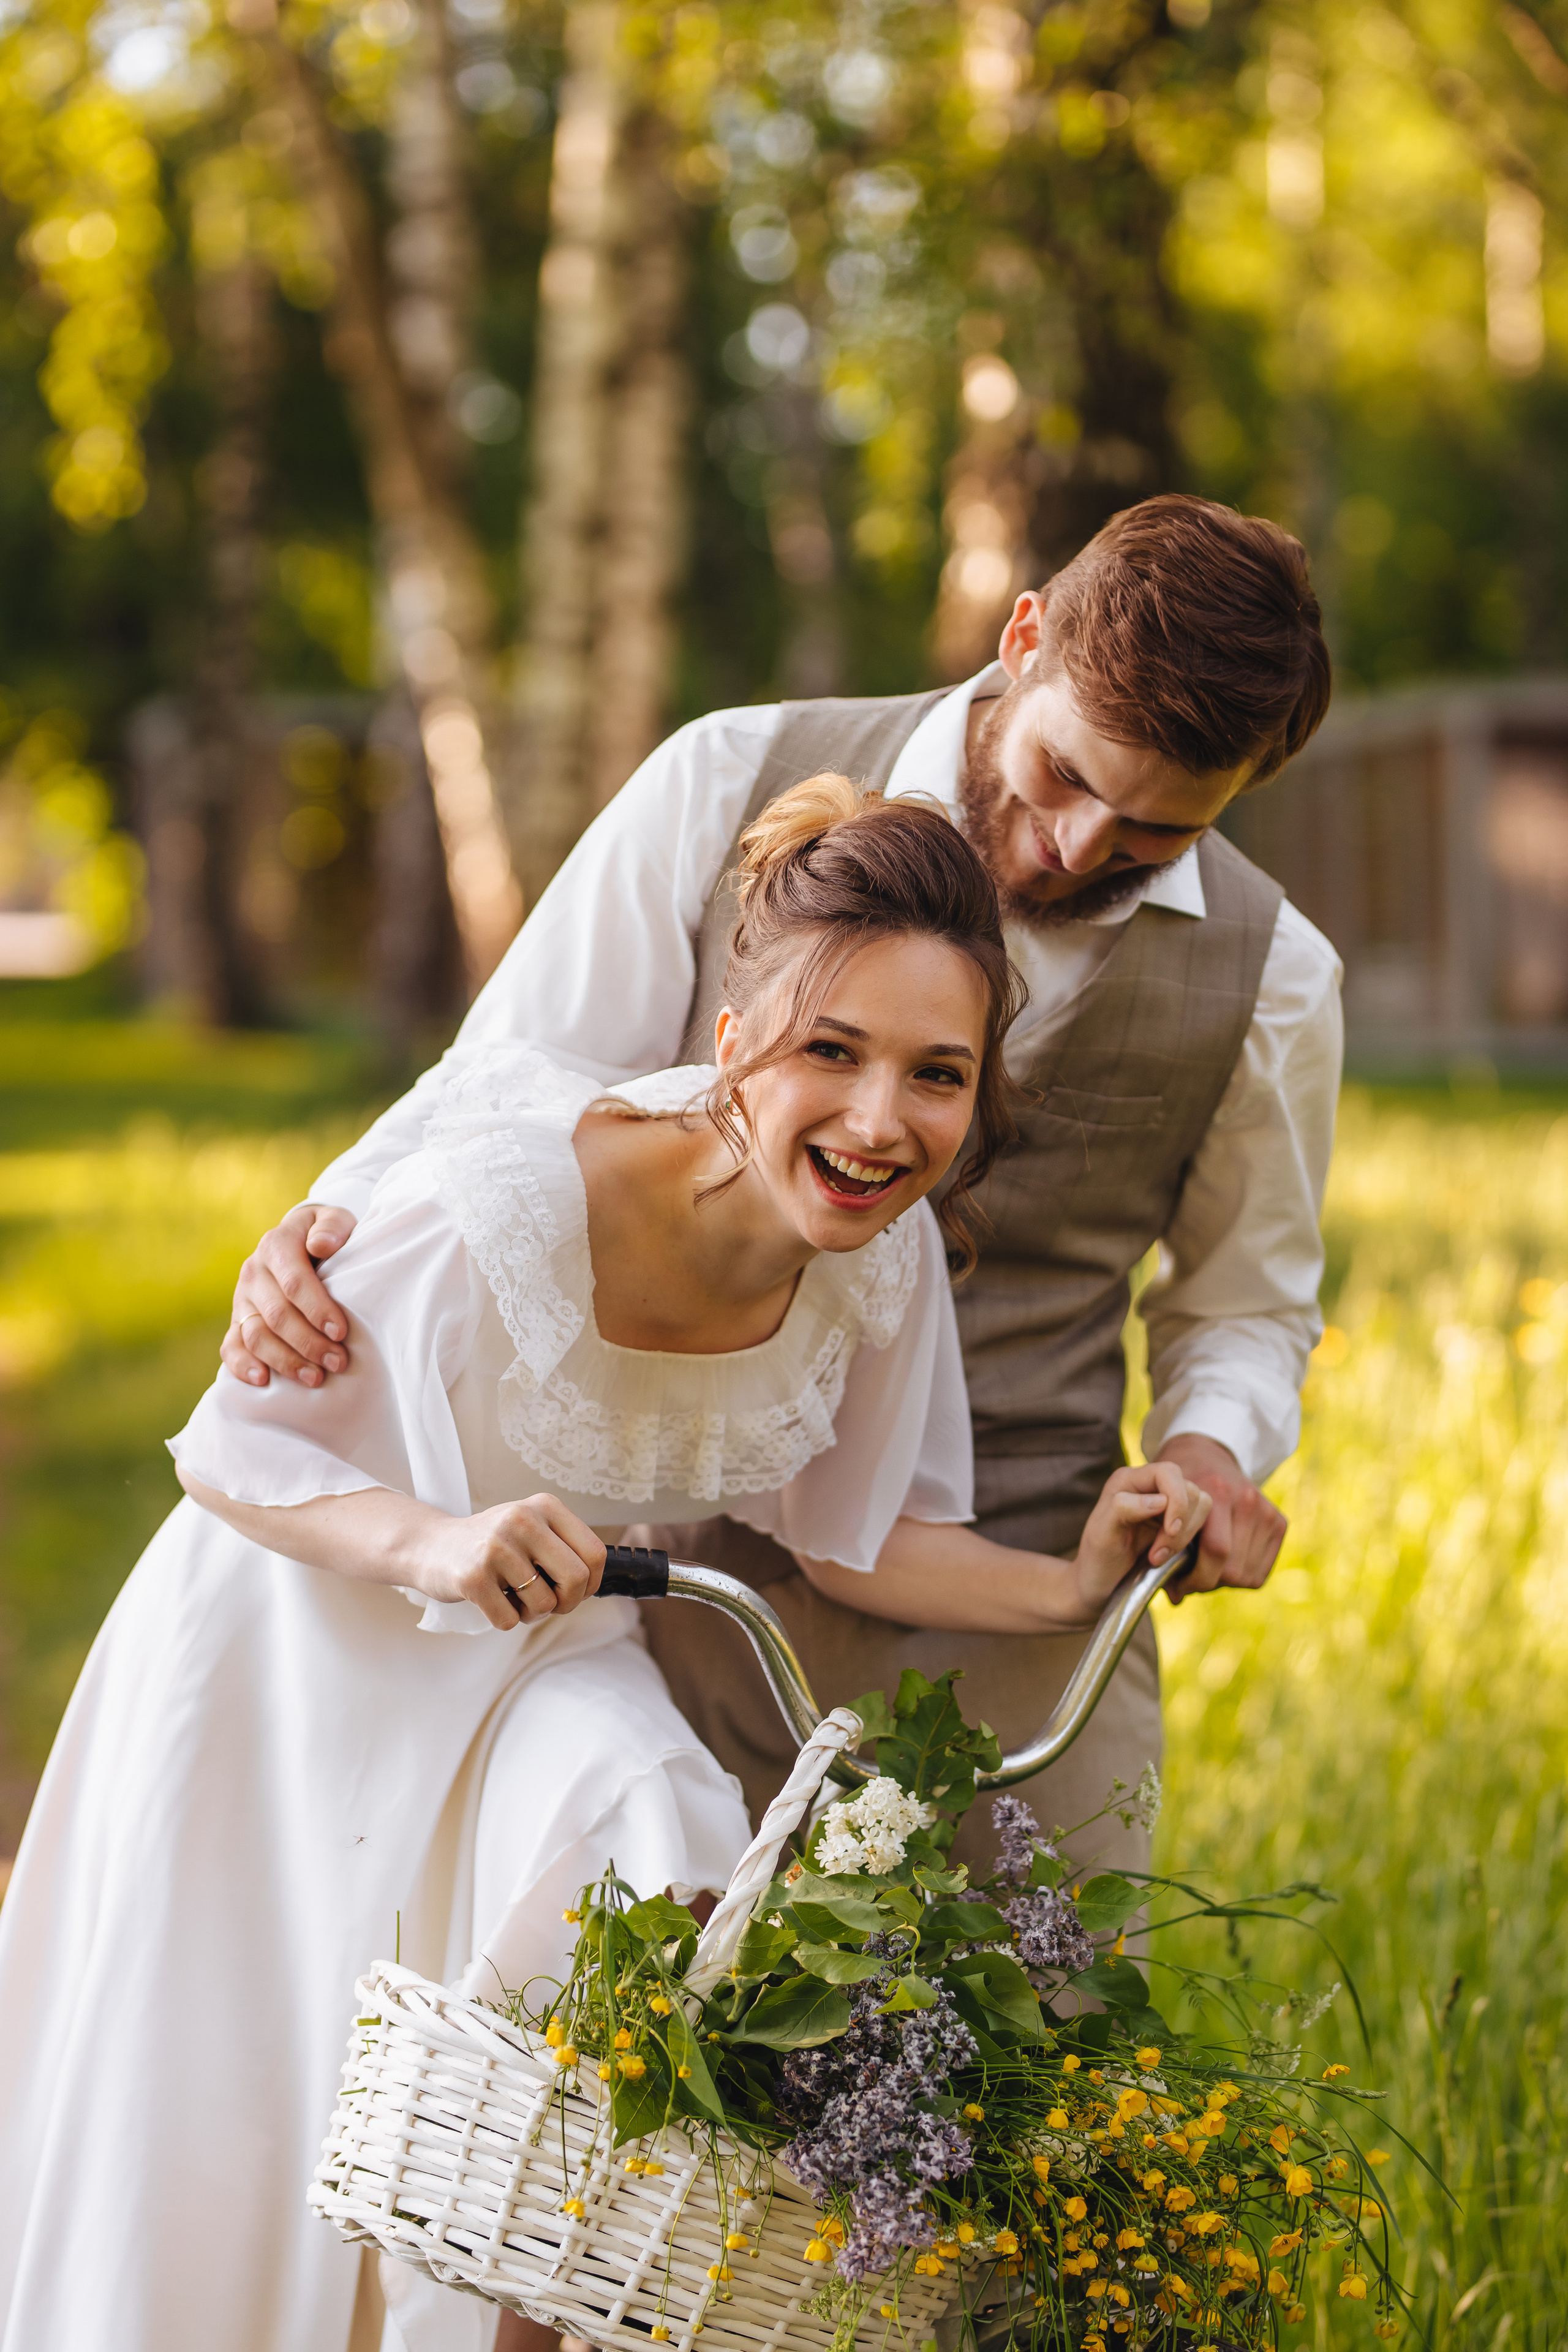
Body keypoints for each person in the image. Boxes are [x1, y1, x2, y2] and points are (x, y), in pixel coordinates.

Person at [0, 778, 1210, 2352]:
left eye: (937, 1075)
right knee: (244, 2090)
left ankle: (551, 2317)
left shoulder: (882, 1260)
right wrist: (439, 1540)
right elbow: (237, 1451)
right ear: (729, 1047)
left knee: (655, 1831)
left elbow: (849, 1534)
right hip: (299, 1640)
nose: (877, 1122)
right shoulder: (497, 1194)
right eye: (828, 1054)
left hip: (535, 1656)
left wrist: (1071, 1588)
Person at [222, 493, 1341, 1877]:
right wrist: (322, 1238)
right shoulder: (727, 774)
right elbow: (510, 1082)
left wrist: (1206, 1452)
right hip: (688, 1538)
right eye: (1063, 778)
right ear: (1024, 636)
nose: (1072, 848)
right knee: (660, 2017)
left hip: (1023, 1553)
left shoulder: (1273, 980)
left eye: (1152, 837)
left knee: (1052, 2039)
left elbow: (1244, 1301)